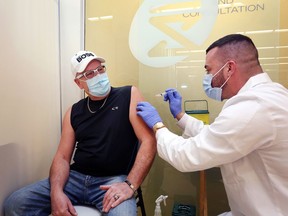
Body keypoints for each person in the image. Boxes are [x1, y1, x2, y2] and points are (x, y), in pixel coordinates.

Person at [136, 34, 288, 216]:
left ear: (229, 68)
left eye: (209, 70)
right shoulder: (271, 95)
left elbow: (187, 155)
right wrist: (180, 115)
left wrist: (157, 125)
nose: (208, 78)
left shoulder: (254, 107)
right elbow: (218, 136)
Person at [4, 51, 156, 216]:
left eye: (100, 69)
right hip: (74, 179)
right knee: (15, 204)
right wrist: (56, 192)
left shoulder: (129, 95)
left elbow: (149, 141)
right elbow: (62, 157)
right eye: (89, 73)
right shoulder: (73, 112)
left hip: (112, 181)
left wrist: (130, 184)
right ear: (79, 83)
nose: (98, 75)